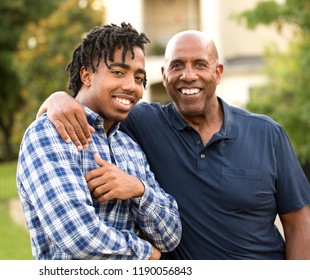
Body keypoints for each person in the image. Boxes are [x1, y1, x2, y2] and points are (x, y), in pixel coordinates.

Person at [37, 30, 310, 259]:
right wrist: (58, 98)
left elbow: (299, 223)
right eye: (177, 65)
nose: (188, 75)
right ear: (164, 74)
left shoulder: (267, 133)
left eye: (200, 65)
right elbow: (97, 103)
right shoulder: (142, 122)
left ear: (218, 72)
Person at [16, 22, 181, 260]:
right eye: (118, 72)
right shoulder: (49, 135)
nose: (130, 86)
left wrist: (139, 190)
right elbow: (80, 237)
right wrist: (148, 255)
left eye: (138, 78)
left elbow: (171, 236)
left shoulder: (130, 147)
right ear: (86, 75)